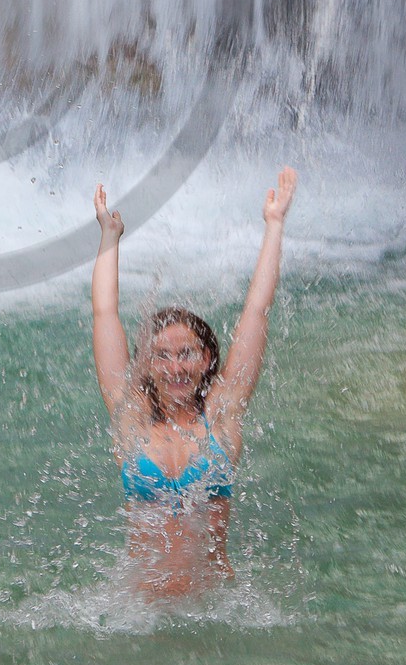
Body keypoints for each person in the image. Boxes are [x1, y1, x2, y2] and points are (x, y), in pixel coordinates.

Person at [90, 168, 298, 598]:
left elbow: (257, 310)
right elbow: (105, 315)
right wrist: (110, 239)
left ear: (206, 359)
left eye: (186, 353)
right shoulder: (131, 418)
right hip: (140, 613)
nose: (175, 367)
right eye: (161, 356)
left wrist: (274, 225)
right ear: (145, 364)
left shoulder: (222, 414)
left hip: (212, 611)